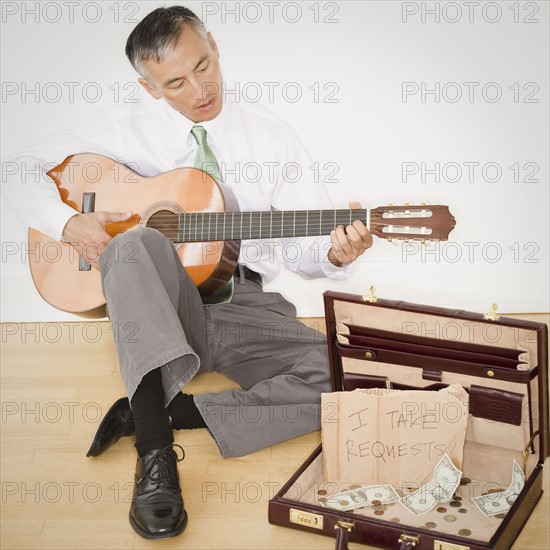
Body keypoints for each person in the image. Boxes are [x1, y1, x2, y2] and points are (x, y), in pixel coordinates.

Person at [2, 6, 372, 540]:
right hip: (161, 305)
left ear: (214, 44)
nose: (200, 88)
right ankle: (156, 456)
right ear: (149, 87)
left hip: (241, 305)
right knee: (133, 245)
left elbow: (306, 251)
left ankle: (168, 412)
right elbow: (13, 168)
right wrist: (67, 222)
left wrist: (336, 255)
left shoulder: (271, 137)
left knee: (344, 376)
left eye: (204, 65)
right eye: (176, 81)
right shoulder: (120, 125)